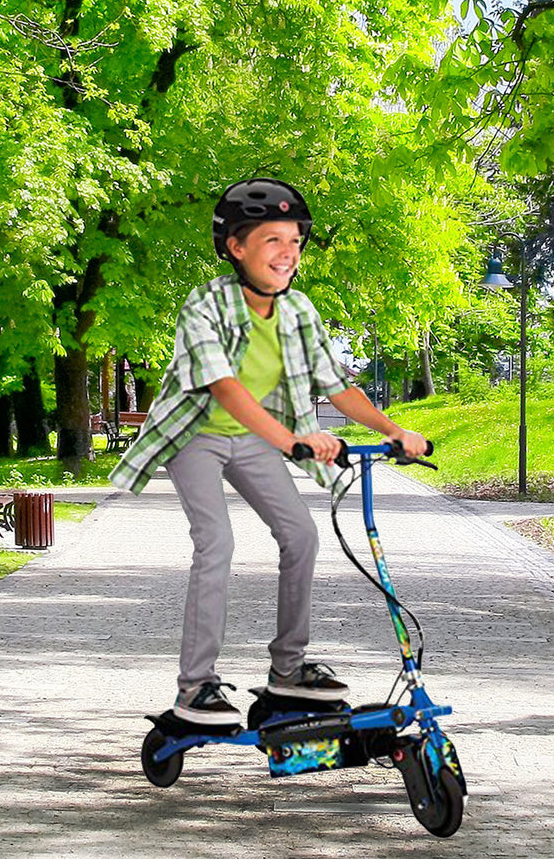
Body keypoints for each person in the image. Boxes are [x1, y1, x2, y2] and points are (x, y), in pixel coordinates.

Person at [110, 178, 428, 727]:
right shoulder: (205, 305)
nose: (288, 254)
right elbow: (224, 386)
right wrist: (293, 441)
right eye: (272, 241)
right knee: (217, 543)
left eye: (296, 242)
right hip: (196, 437)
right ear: (235, 247)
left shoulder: (298, 311)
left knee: (301, 534)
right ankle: (195, 688)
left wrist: (396, 430)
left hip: (253, 439)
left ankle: (288, 670)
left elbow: (337, 386)